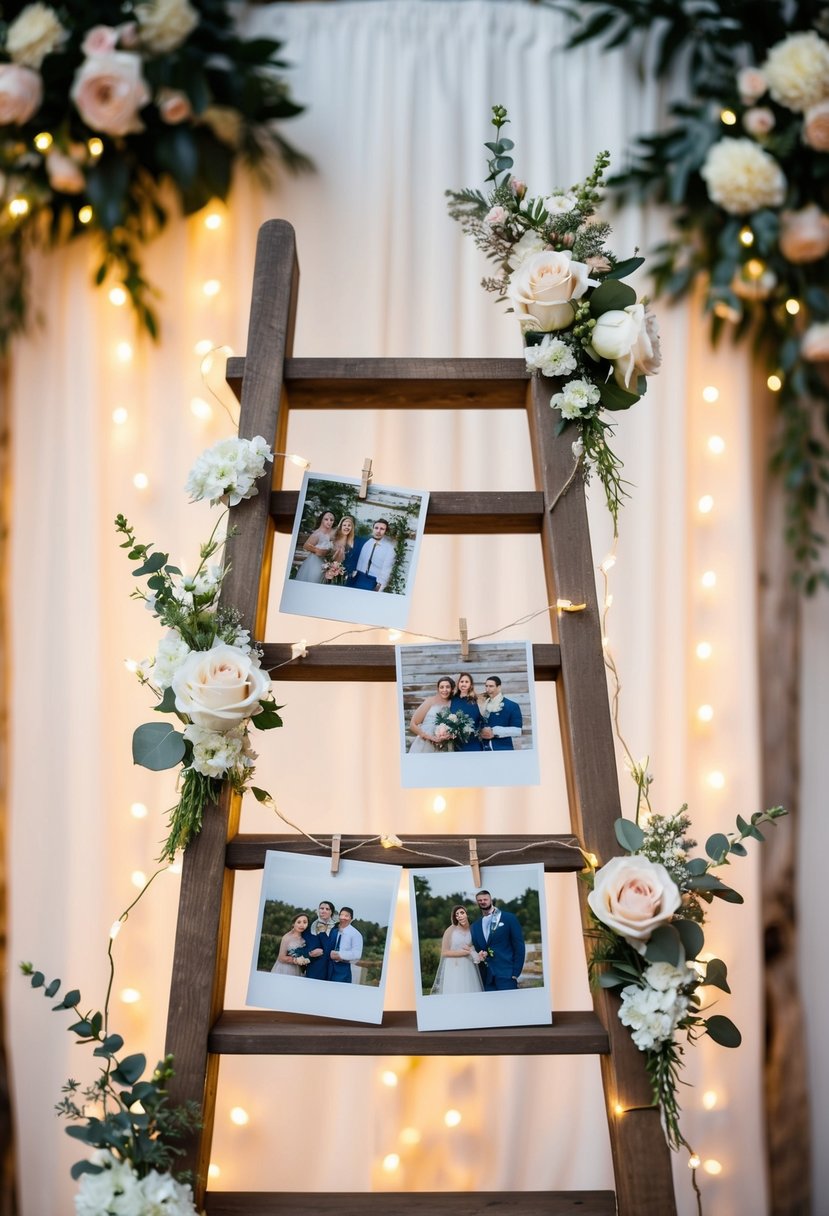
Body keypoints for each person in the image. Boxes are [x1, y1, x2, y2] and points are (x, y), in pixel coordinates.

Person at [470, 890, 525, 991]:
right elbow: (476, 948)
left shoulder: (509, 918)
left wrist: (516, 973)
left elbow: (519, 946)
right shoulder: (475, 926)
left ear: (491, 900)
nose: (482, 902)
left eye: (485, 899)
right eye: (480, 900)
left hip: (507, 974)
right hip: (486, 977)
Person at [430, 905, 484, 995]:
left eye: (462, 912)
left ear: (467, 914)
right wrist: (462, 953)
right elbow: (444, 952)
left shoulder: (472, 930)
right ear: (455, 918)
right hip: (453, 966)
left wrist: (476, 953)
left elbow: (472, 947)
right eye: (457, 914)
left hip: (468, 965)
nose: (460, 915)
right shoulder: (450, 930)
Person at [409, 677, 456, 753]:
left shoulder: (453, 704)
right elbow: (412, 724)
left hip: (444, 746)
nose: (444, 690)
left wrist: (449, 735)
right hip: (425, 743)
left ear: (452, 689)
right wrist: (429, 737)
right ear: (438, 689)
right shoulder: (430, 701)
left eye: (447, 687)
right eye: (441, 687)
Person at [347, 519, 396, 591]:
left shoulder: (389, 548)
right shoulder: (368, 542)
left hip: (373, 579)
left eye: (382, 529)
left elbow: (387, 569)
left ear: (385, 531)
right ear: (373, 529)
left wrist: (379, 585)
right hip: (358, 576)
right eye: (376, 528)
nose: (378, 531)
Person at [479, 675, 523, 751]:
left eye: (491, 686)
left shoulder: (512, 706)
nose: (487, 689)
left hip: (503, 749)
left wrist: (494, 731)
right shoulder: (481, 705)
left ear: (499, 687)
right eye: (486, 686)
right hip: (482, 749)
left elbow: (518, 730)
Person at [294, 510, 336, 583]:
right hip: (315, 562)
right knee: (314, 579)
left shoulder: (331, 533)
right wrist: (318, 551)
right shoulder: (318, 533)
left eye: (331, 520)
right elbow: (306, 546)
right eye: (326, 519)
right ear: (321, 520)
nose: (329, 522)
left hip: (325, 563)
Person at [449, 671, 484, 752]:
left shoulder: (477, 700)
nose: (463, 684)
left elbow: (484, 718)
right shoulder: (453, 699)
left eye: (466, 682)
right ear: (458, 683)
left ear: (471, 684)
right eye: (461, 681)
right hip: (456, 742)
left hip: (473, 742)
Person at [329, 906, 364, 983]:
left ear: (351, 919)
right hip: (329, 967)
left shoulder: (355, 934)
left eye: (346, 916)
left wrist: (340, 955)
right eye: (341, 915)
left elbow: (357, 954)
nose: (343, 917)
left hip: (343, 969)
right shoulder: (334, 930)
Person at [305, 900, 338, 981]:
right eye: (321, 908)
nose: (324, 911)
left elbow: (333, 947)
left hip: (331, 965)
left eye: (327, 909)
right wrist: (309, 953)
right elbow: (305, 943)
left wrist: (322, 932)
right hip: (315, 965)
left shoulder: (336, 928)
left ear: (331, 912)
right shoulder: (311, 925)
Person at [327, 516, 356, 583]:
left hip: (341, 573)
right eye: (344, 525)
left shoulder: (351, 542)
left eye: (349, 525)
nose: (346, 527)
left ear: (352, 528)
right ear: (341, 526)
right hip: (328, 569)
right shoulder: (333, 538)